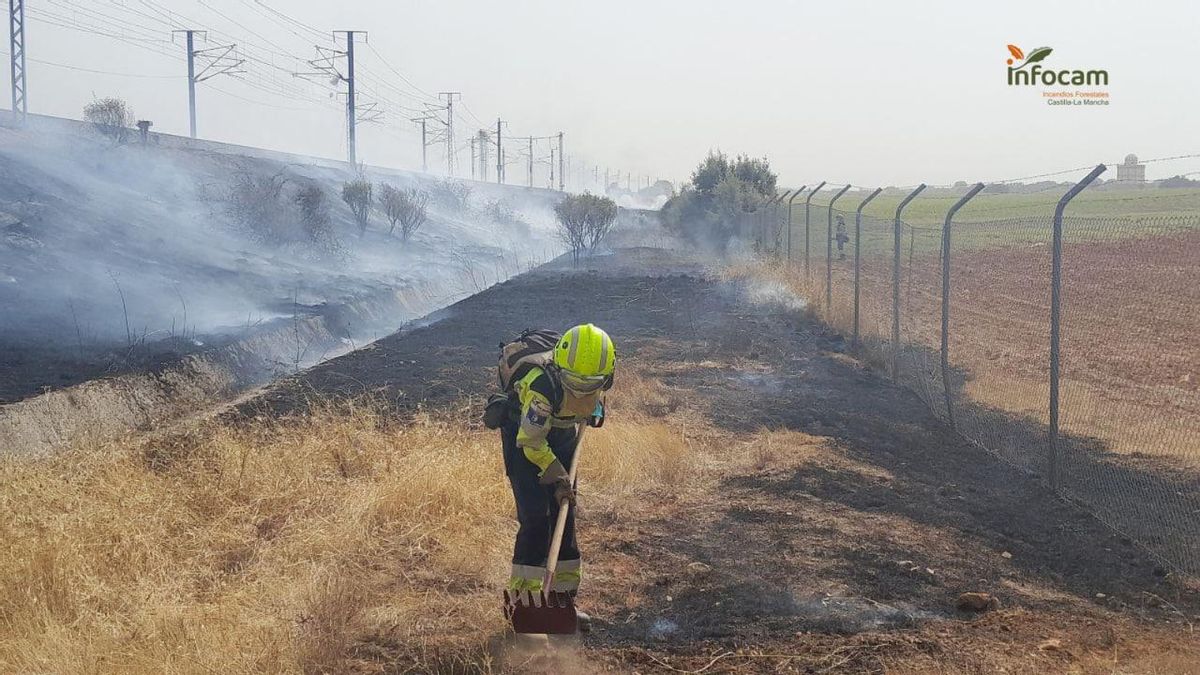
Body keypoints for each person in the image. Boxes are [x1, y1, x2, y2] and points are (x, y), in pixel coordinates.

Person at [500, 323, 615, 629]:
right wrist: (557, 475)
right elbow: (531, 441)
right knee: (537, 520)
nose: (581, 388)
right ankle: (525, 608)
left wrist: (594, 412)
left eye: (589, 383)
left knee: (566, 517)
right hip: (525, 442)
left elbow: (593, 405)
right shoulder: (542, 385)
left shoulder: (601, 374)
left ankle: (560, 605)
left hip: (562, 435)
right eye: (574, 382)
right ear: (561, 367)